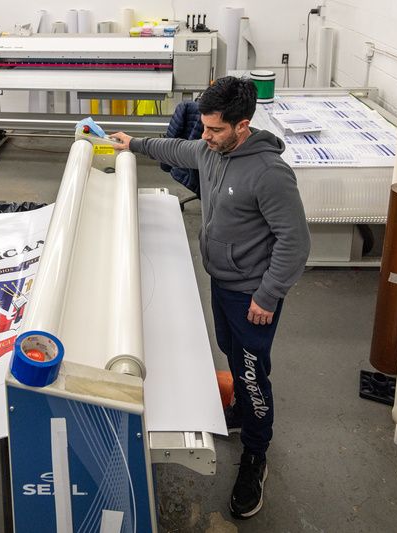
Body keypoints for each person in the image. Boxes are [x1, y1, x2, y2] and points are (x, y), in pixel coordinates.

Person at [110, 76, 310, 519]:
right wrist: (134, 143)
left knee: (254, 373)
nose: (205, 136)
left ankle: (256, 455)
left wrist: (268, 295)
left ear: (243, 125)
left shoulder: (269, 173)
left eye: (215, 129)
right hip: (223, 281)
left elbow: (295, 242)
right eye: (204, 127)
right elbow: (177, 150)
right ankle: (240, 406)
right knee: (232, 353)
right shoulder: (210, 149)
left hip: (252, 295)